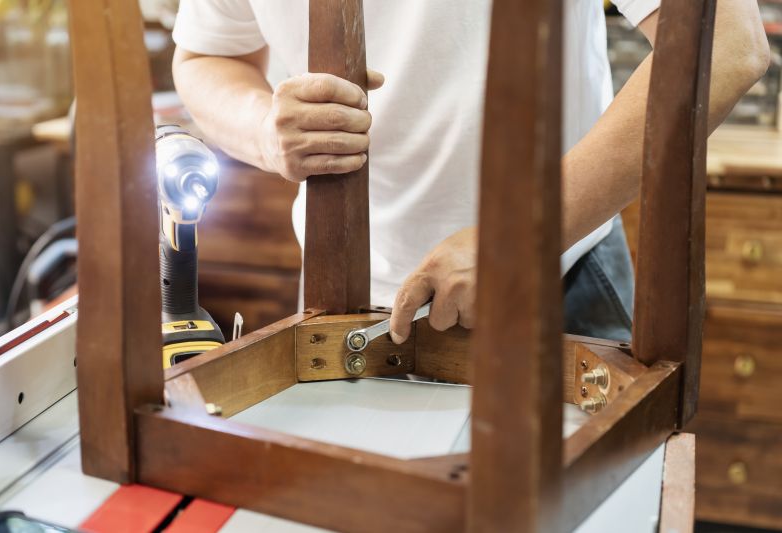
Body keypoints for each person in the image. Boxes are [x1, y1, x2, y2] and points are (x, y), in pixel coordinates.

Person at [171, 0, 768, 343]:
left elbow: (724, 45)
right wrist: (263, 130)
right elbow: (207, 54)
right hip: (341, 295)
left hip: (558, 281)